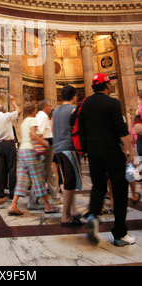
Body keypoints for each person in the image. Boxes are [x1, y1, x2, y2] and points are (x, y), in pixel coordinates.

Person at [78, 73, 136, 246]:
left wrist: (86, 150)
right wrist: (131, 153)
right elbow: (121, 130)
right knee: (119, 190)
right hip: (111, 151)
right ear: (107, 85)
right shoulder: (112, 103)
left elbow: (80, 128)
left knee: (99, 186)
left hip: (93, 153)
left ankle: (92, 216)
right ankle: (120, 234)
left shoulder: (85, 103)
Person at [8, 102, 60, 216]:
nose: (36, 111)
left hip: (22, 152)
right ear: (32, 111)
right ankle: (47, 206)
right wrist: (45, 144)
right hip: (31, 151)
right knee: (39, 179)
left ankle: (13, 205)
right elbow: (33, 135)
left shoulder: (24, 122)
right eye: (35, 110)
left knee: (22, 179)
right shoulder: (33, 120)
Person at [52, 85, 83, 227]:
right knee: (70, 183)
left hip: (58, 149)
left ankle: (73, 210)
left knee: (68, 181)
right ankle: (66, 216)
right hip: (69, 149)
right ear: (74, 96)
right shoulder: (73, 110)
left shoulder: (55, 111)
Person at [27, 99, 62, 210]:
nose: (51, 107)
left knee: (50, 174)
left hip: (47, 147)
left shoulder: (41, 116)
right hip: (45, 147)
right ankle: (33, 201)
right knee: (41, 175)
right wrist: (45, 145)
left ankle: (56, 197)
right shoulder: (42, 116)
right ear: (44, 107)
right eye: (49, 105)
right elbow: (37, 133)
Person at [0, 95, 21, 199]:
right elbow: (18, 111)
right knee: (11, 169)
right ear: (3, 109)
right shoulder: (7, 116)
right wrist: (13, 101)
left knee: (0, 170)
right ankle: (12, 193)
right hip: (9, 144)